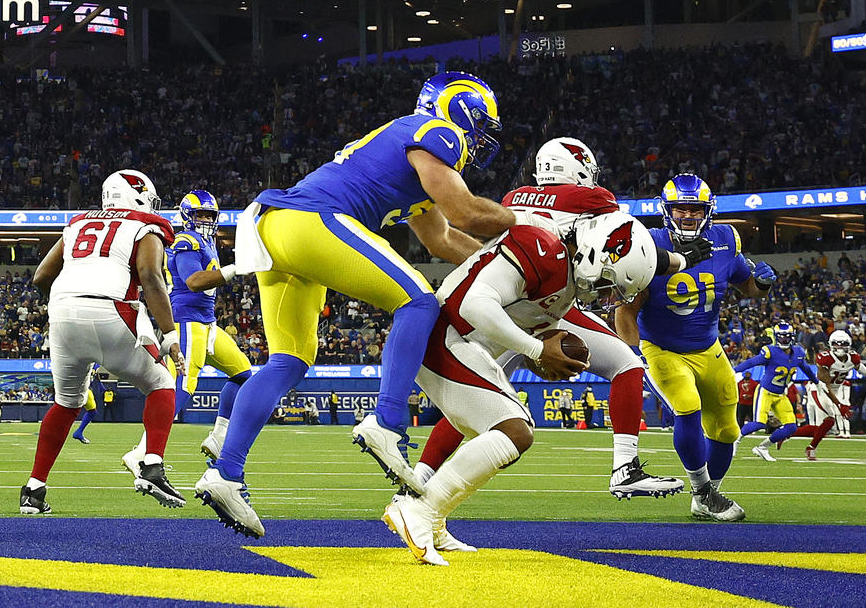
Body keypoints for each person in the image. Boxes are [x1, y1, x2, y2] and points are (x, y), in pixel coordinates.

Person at [195, 73, 521, 536]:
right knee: (419, 303)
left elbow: (446, 237)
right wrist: (522, 225)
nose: (483, 136)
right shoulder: (435, 131)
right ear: (461, 109)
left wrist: (502, 265)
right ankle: (387, 421)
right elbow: (467, 211)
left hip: (278, 231)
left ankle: (225, 473)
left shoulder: (417, 152)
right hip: (312, 221)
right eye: (482, 122)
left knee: (288, 361)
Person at [415, 138, 707, 500]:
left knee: (475, 395)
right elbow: (625, 250)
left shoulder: (513, 198)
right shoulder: (594, 200)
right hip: (548, 296)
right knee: (626, 365)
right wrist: (681, 259)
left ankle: (419, 477)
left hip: (511, 299)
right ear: (580, 168)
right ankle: (625, 467)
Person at [382, 212, 658, 565]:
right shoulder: (542, 247)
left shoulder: (567, 278)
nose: (606, 295)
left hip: (460, 344)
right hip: (443, 336)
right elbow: (475, 305)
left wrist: (540, 356)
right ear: (595, 254)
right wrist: (538, 350)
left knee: (489, 430)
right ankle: (419, 510)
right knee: (515, 431)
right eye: (609, 283)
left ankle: (432, 517)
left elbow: (521, 324)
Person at [21, 170, 186, 514]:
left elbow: (41, 277)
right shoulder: (145, 224)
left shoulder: (78, 223)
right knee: (161, 383)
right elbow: (151, 277)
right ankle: (152, 465)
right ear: (136, 195)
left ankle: (33, 491)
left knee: (66, 404)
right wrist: (170, 336)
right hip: (111, 307)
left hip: (63, 312)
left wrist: (73, 302)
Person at [616, 174, 777, 521]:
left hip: (708, 346)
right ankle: (703, 491)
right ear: (666, 211)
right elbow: (625, 310)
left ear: (708, 211)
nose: (687, 215)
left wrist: (760, 284)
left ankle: (706, 495)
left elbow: (745, 286)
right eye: (680, 209)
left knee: (727, 430)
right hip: (662, 348)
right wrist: (632, 353)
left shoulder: (725, 239)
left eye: (694, 209)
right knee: (686, 406)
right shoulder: (648, 244)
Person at [124, 190, 254, 475]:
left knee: (244, 375)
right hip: (186, 322)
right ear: (187, 216)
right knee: (181, 386)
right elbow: (194, 281)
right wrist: (236, 269)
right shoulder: (186, 240)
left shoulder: (207, 240)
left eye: (210, 215)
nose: (206, 220)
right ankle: (142, 451)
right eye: (201, 215)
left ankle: (219, 438)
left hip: (207, 324)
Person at [735, 322, 835, 461]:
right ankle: (735, 441)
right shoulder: (770, 351)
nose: (784, 340)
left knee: (791, 428)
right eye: (781, 337)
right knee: (759, 423)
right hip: (765, 392)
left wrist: (816, 381)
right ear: (776, 338)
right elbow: (752, 362)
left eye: (787, 337)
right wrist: (734, 371)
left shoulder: (798, 353)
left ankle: (762, 447)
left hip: (781, 395)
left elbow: (805, 368)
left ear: (792, 337)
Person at [814, 330, 866, 454]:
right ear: (831, 344)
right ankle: (797, 437)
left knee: (835, 416)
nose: (840, 347)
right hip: (821, 389)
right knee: (826, 418)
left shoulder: (853, 357)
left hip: (837, 388)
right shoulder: (826, 358)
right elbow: (825, 386)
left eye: (843, 344)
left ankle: (827, 441)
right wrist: (838, 404)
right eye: (837, 344)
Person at [71, 366, 104, 444]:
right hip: (78, 386)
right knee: (66, 410)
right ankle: (78, 432)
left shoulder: (96, 364)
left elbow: (96, 375)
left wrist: (101, 386)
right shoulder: (89, 360)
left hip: (83, 388)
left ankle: (78, 432)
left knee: (92, 411)